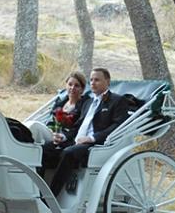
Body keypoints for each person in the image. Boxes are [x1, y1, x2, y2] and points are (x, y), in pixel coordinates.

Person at [41, 67, 128, 196]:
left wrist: (92, 138)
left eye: (97, 80)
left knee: (68, 153)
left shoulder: (117, 101)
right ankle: (37, 192)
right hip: (76, 141)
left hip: (96, 143)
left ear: (107, 82)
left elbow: (117, 126)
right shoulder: (88, 102)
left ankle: (50, 197)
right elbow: (78, 126)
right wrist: (63, 137)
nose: (92, 83)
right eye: (91, 80)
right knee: (44, 149)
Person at [26, 71, 89, 144]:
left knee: (34, 126)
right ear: (66, 86)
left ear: (82, 89)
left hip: (65, 137)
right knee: (28, 125)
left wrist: (64, 135)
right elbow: (50, 120)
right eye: (70, 84)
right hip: (52, 133)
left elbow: (79, 127)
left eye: (77, 85)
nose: (72, 88)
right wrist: (52, 129)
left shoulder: (84, 106)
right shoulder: (60, 102)